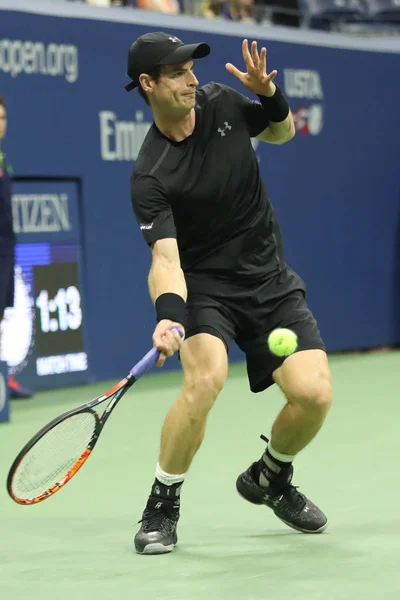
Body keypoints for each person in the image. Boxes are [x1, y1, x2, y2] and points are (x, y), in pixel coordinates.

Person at [125, 32, 332, 555]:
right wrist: (169, 315)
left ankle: (269, 478)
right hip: (206, 289)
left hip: (267, 277)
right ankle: (162, 501)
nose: (191, 79)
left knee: (314, 395)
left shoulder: (221, 101)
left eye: (191, 69)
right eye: (176, 72)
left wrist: (269, 94)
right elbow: (166, 260)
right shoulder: (151, 173)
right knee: (206, 378)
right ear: (148, 84)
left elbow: (282, 133)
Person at [0, 96, 33, 400]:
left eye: (2, 118)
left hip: (5, 248)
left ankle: (2, 377)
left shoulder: (2, 159)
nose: (0, 125)